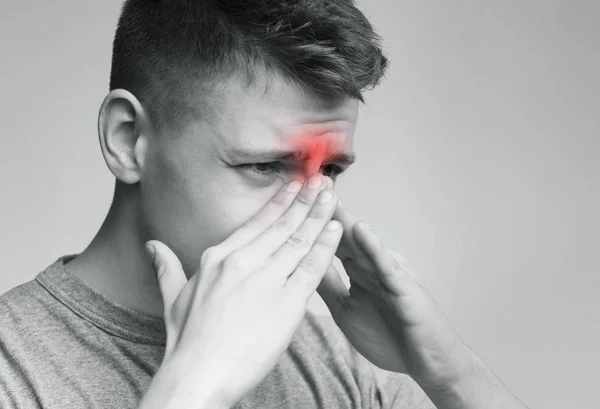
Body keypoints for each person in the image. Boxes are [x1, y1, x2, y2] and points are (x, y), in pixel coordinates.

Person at [0, 1, 531, 408]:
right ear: (127, 139)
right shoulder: (15, 368)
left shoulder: (336, 357)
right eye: (265, 166)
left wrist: (447, 369)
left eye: (329, 171)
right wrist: (194, 389)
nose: (315, 213)